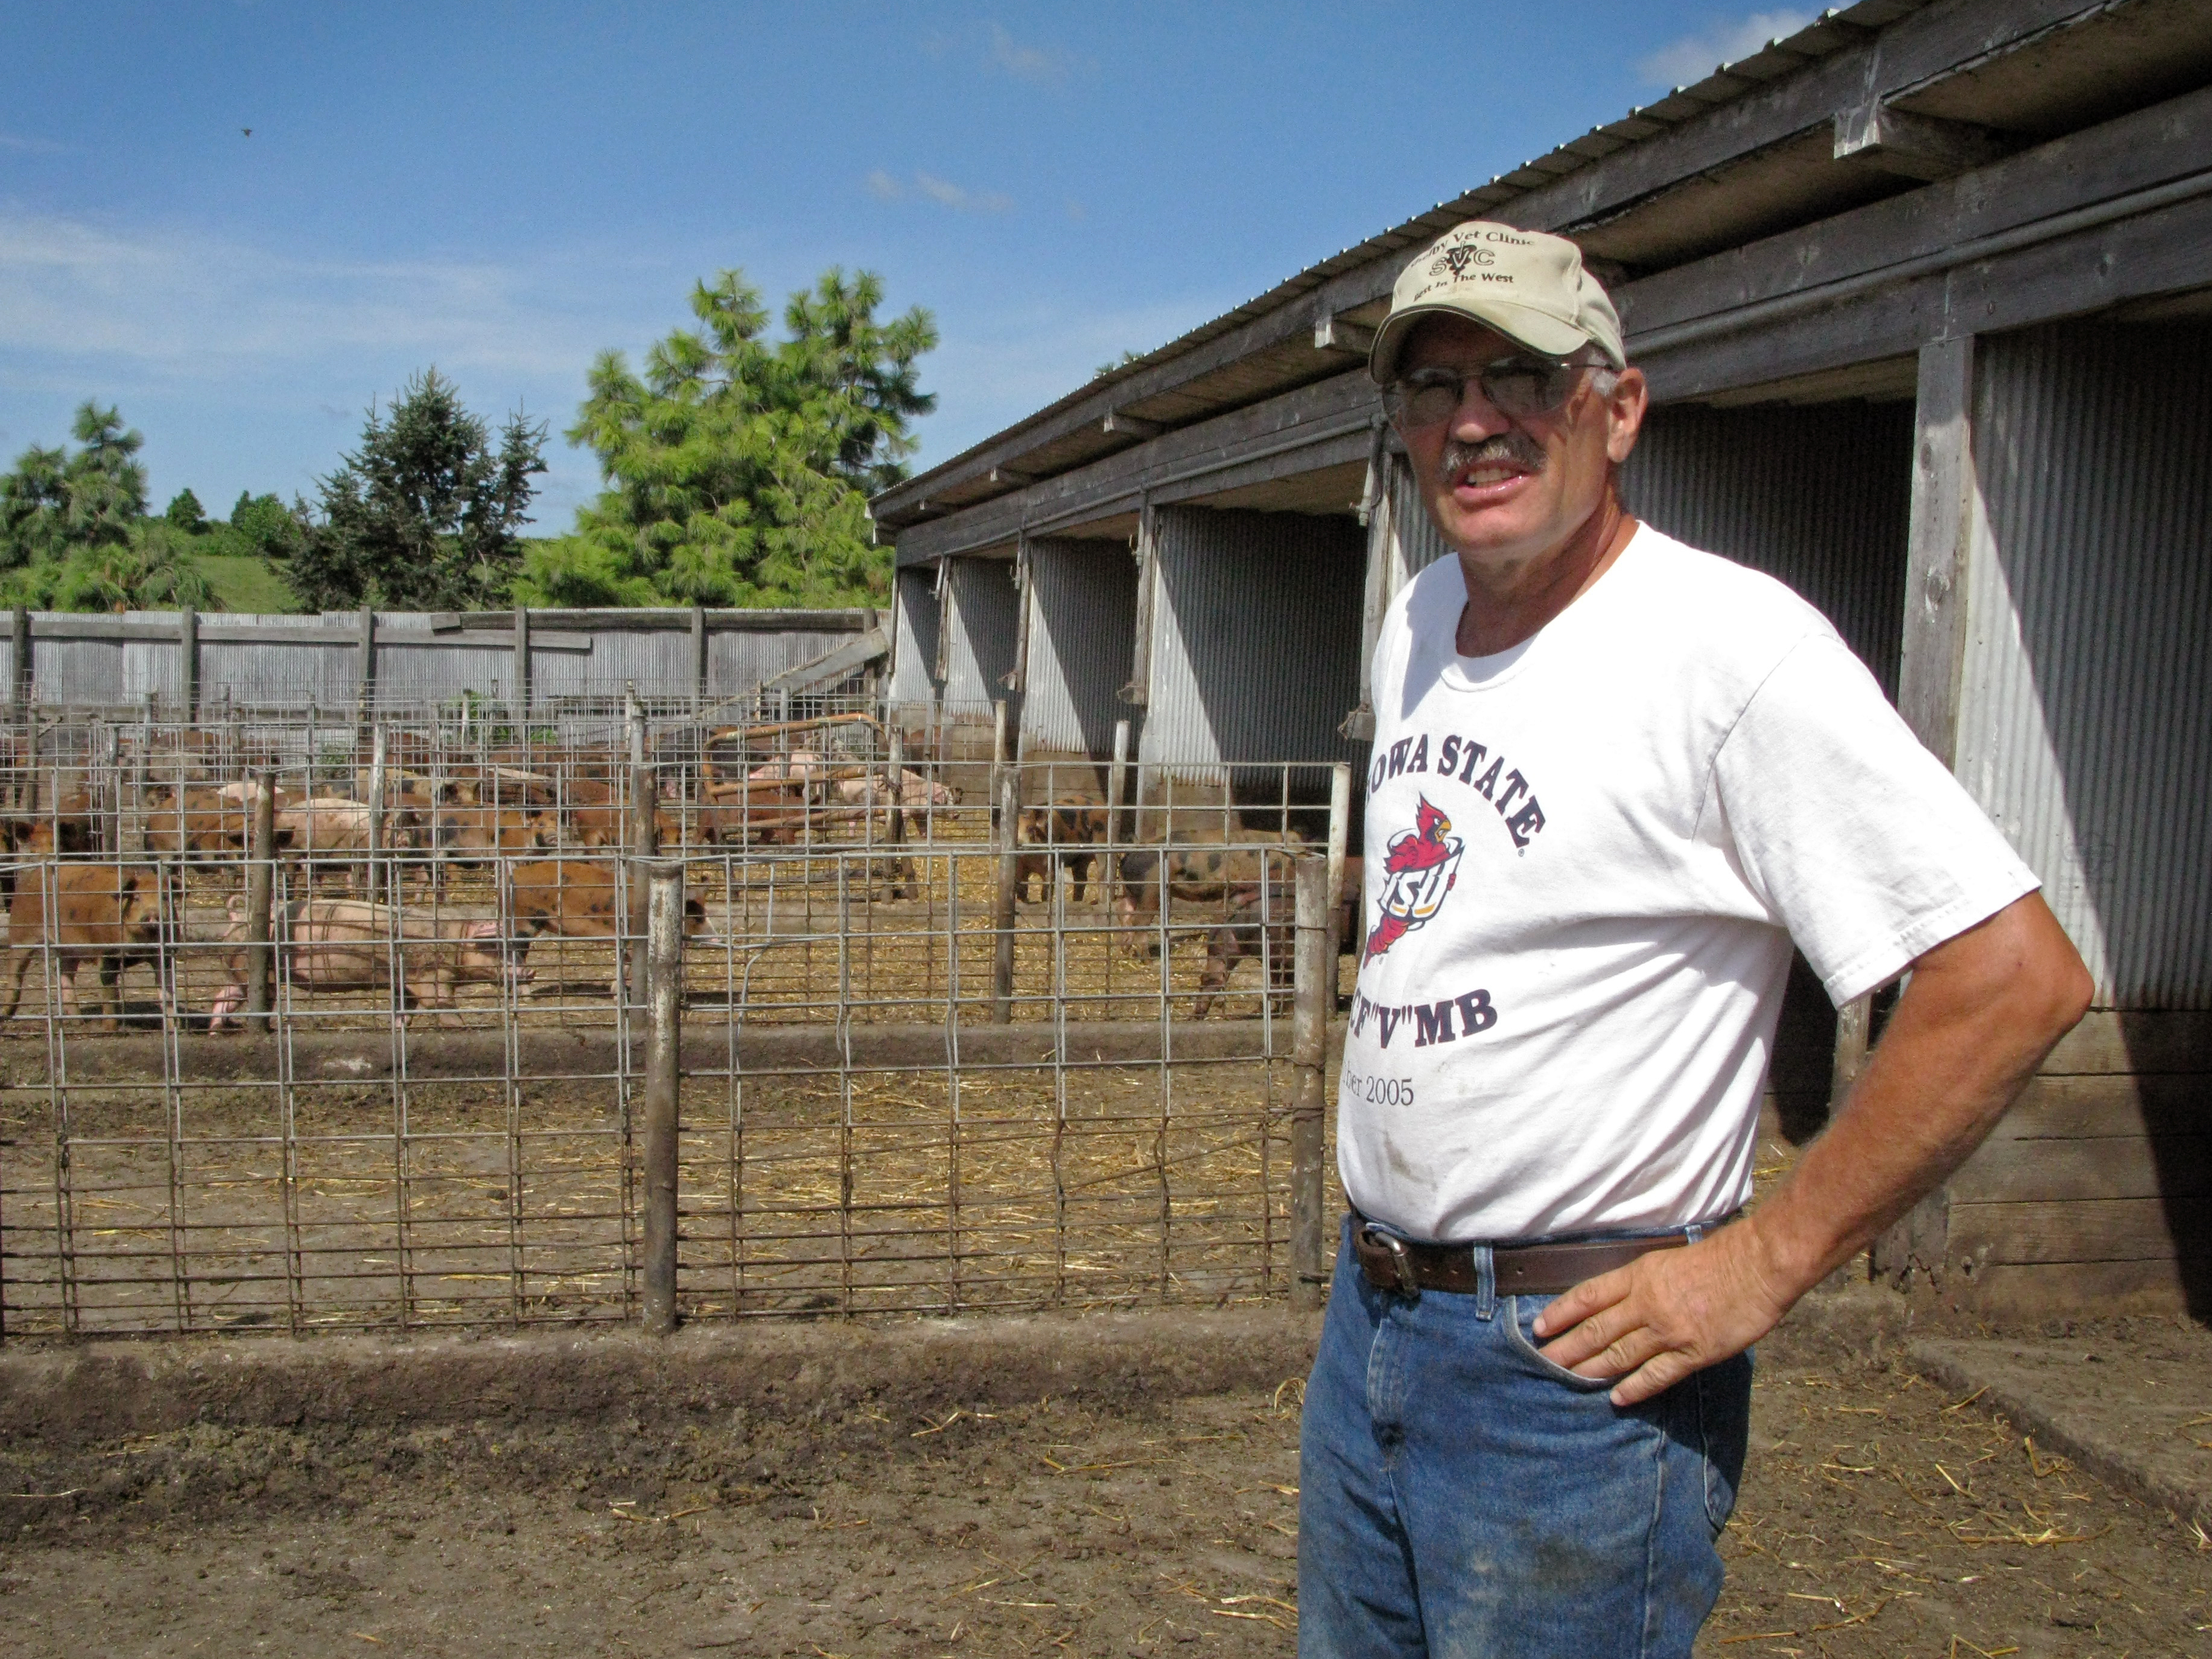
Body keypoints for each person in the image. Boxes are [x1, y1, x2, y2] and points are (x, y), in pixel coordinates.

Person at [1297, 220, 2092, 1658]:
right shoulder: (1419, 615)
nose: (1474, 421)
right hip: (1376, 1325)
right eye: (1432, 387)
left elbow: (2013, 975)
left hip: (1572, 1375)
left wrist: (1762, 1260)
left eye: (1522, 378)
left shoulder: (1727, 651)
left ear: (1618, 408)